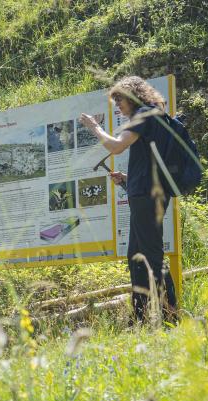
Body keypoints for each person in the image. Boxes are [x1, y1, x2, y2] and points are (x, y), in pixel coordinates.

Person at [78, 76, 178, 323]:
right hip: (143, 192)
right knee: (135, 255)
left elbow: (116, 146)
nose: (118, 106)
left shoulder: (145, 114)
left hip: (147, 197)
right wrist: (127, 178)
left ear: (132, 95)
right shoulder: (152, 116)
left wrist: (94, 127)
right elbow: (150, 161)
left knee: (152, 257)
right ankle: (141, 317)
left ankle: (171, 317)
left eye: (119, 100)